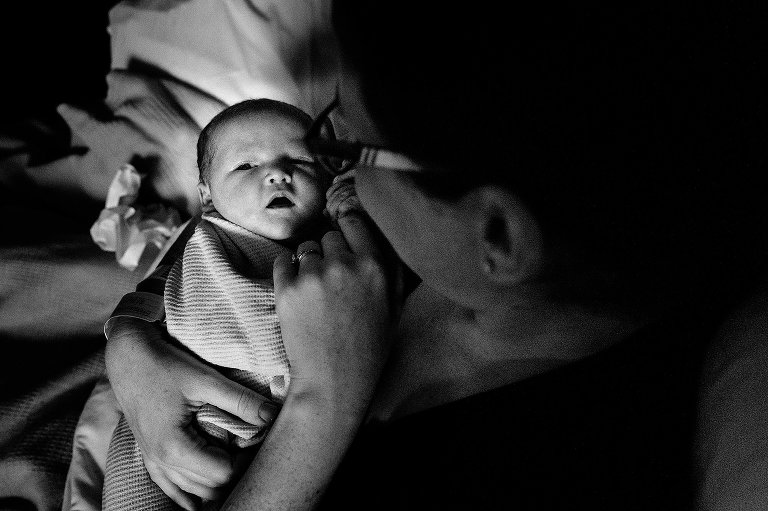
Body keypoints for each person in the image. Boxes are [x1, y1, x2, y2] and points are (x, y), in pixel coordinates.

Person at [104, 2, 768, 510]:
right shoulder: (436, 243)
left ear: (499, 236)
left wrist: (321, 405)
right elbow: (209, 250)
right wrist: (131, 347)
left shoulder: (565, 460)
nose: (331, 166)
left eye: (353, 144)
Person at [92, 98, 365, 509]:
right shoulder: (207, 238)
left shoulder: (336, 236)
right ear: (207, 194)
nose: (276, 174)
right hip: (182, 402)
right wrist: (125, 336)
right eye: (245, 166)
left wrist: (350, 200)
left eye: (299, 160)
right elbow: (143, 302)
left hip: (281, 435)